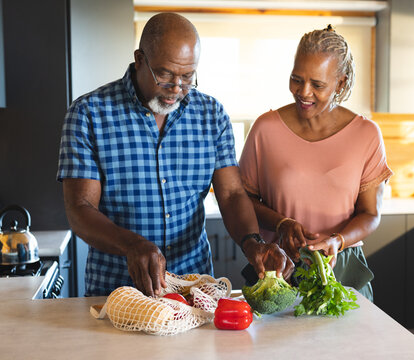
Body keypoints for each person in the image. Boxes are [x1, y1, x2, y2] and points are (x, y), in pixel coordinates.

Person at [57, 13, 293, 297]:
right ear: (140, 59)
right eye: (166, 75)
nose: (177, 89)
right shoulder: (88, 114)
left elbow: (231, 194)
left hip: (195, 290)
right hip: (117, 291)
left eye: (187, 77)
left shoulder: (211, 114)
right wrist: (132, 244)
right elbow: (81, 209)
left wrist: (253, 243)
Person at [239, 25, 393, 300]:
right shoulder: (265, 128)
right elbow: (242, 199)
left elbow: (370, 214)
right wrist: (281, 223)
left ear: (341, 83)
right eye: (296, 79)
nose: (303, 92)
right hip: (279, 267)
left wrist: (338, 240)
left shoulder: (367, 134)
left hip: (342, 267)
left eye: (317, 84)